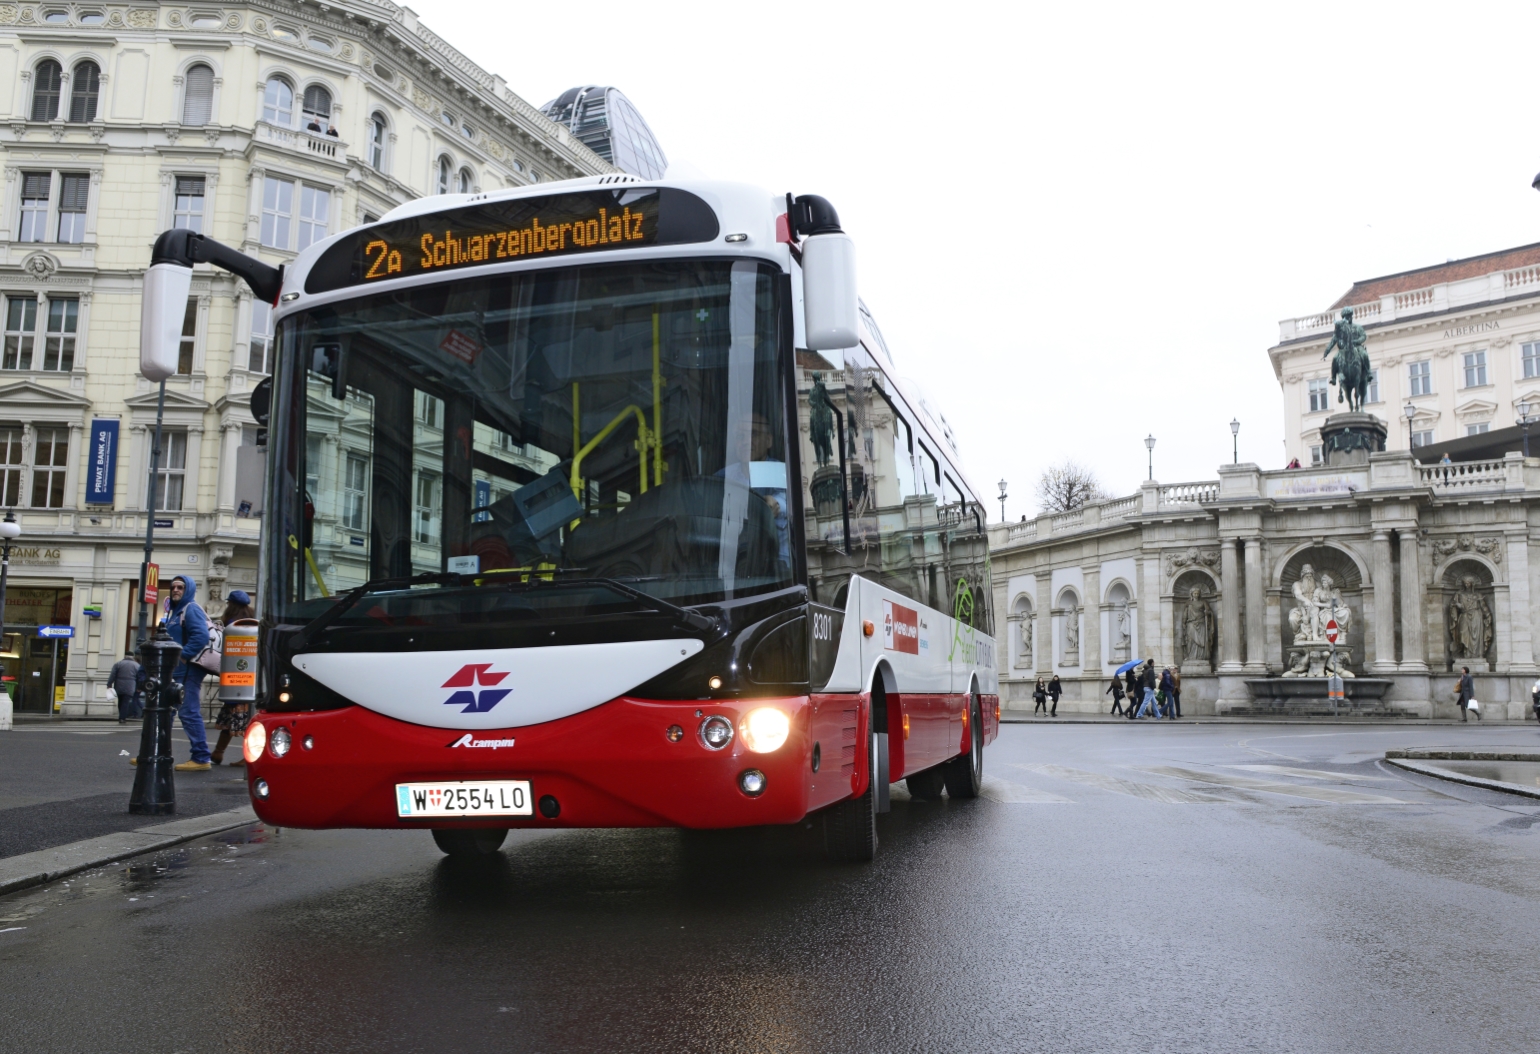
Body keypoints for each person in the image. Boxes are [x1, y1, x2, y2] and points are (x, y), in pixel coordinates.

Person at [163, 575, 214, 770]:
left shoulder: (190, 609)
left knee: (188, 712)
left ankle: (201, 758)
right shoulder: (175, 613)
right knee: (164, 712)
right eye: (173, 587)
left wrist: (182, 655)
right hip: (177, 672)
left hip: (188, 671)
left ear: (189, 590)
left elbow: (201, 635)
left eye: (181, 587)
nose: (176, 590)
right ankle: (155, 752)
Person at [210, 590, 255, 766]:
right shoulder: (253, 623)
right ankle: (219, 753)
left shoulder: (230, 624)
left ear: (231, 605)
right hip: (250, 679)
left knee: (233, 719)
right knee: (244, 720)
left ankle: (220, 753)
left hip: (232, 679)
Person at [109, 652, 141, 723]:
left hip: (119, 684)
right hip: (130, 685)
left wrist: (109, 684)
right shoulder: (136, 665)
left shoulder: (118, 664)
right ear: (133, 657)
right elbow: (139, 677)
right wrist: (139, 686)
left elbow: (112, 675)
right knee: (125, 702)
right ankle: (122, 718)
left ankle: (121, 715)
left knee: (120, 700)